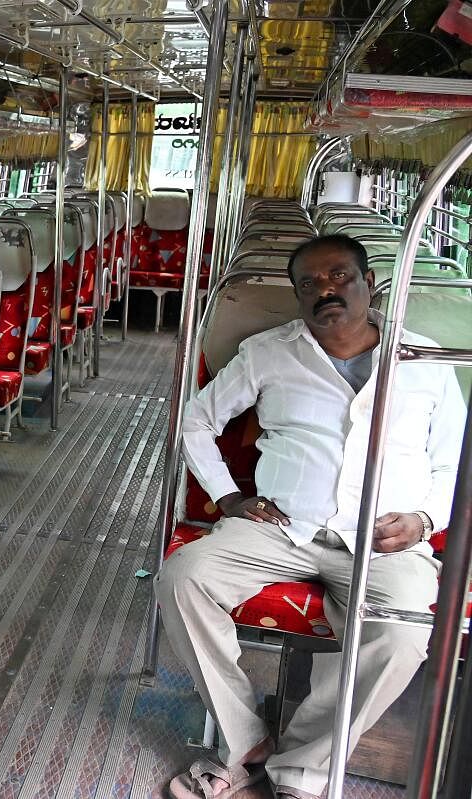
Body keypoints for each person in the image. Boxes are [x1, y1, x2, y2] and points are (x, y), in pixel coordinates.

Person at [156, 234, 466, 799]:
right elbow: (194, 422)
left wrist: (422, 520)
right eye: (310, 283)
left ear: (369, 283)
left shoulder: (425, 363)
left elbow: (455, 461)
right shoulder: (269, 352)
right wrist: (228, 498)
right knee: (182, 579)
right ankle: (247, 740)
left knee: (400, 637)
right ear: (298, 295)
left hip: (385, 540)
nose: (327, 289)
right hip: (282, 528)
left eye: (340, 276)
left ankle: (302, 769)